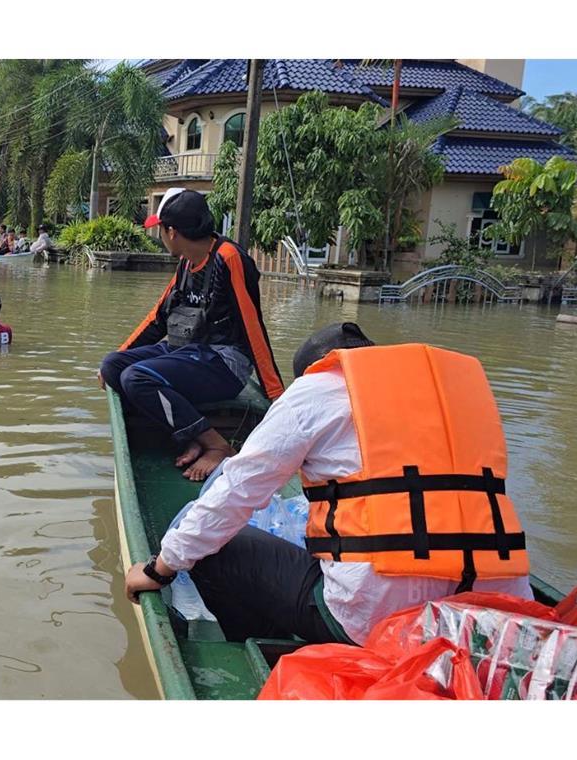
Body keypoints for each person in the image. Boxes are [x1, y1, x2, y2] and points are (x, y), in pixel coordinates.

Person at [124, 322, 533, 647]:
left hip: (375, 625)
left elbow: (236, 490)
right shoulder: (453, 397)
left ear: (319, 368)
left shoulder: (316, 389)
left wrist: (161, 568)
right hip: (491, 617)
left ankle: (264, 643)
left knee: (214, 549)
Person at [99, 188, 284, 481]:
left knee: (136, 378)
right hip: (185, 352)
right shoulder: (186, 262)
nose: (158, 236)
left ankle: (216, 445)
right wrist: (119, 354)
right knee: (113, 366)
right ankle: (191, 435)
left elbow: (253, 327)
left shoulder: (228, 258)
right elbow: (158, 319)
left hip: (224, 362)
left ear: (172, 232)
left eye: (159, 230)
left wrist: (277, 396)